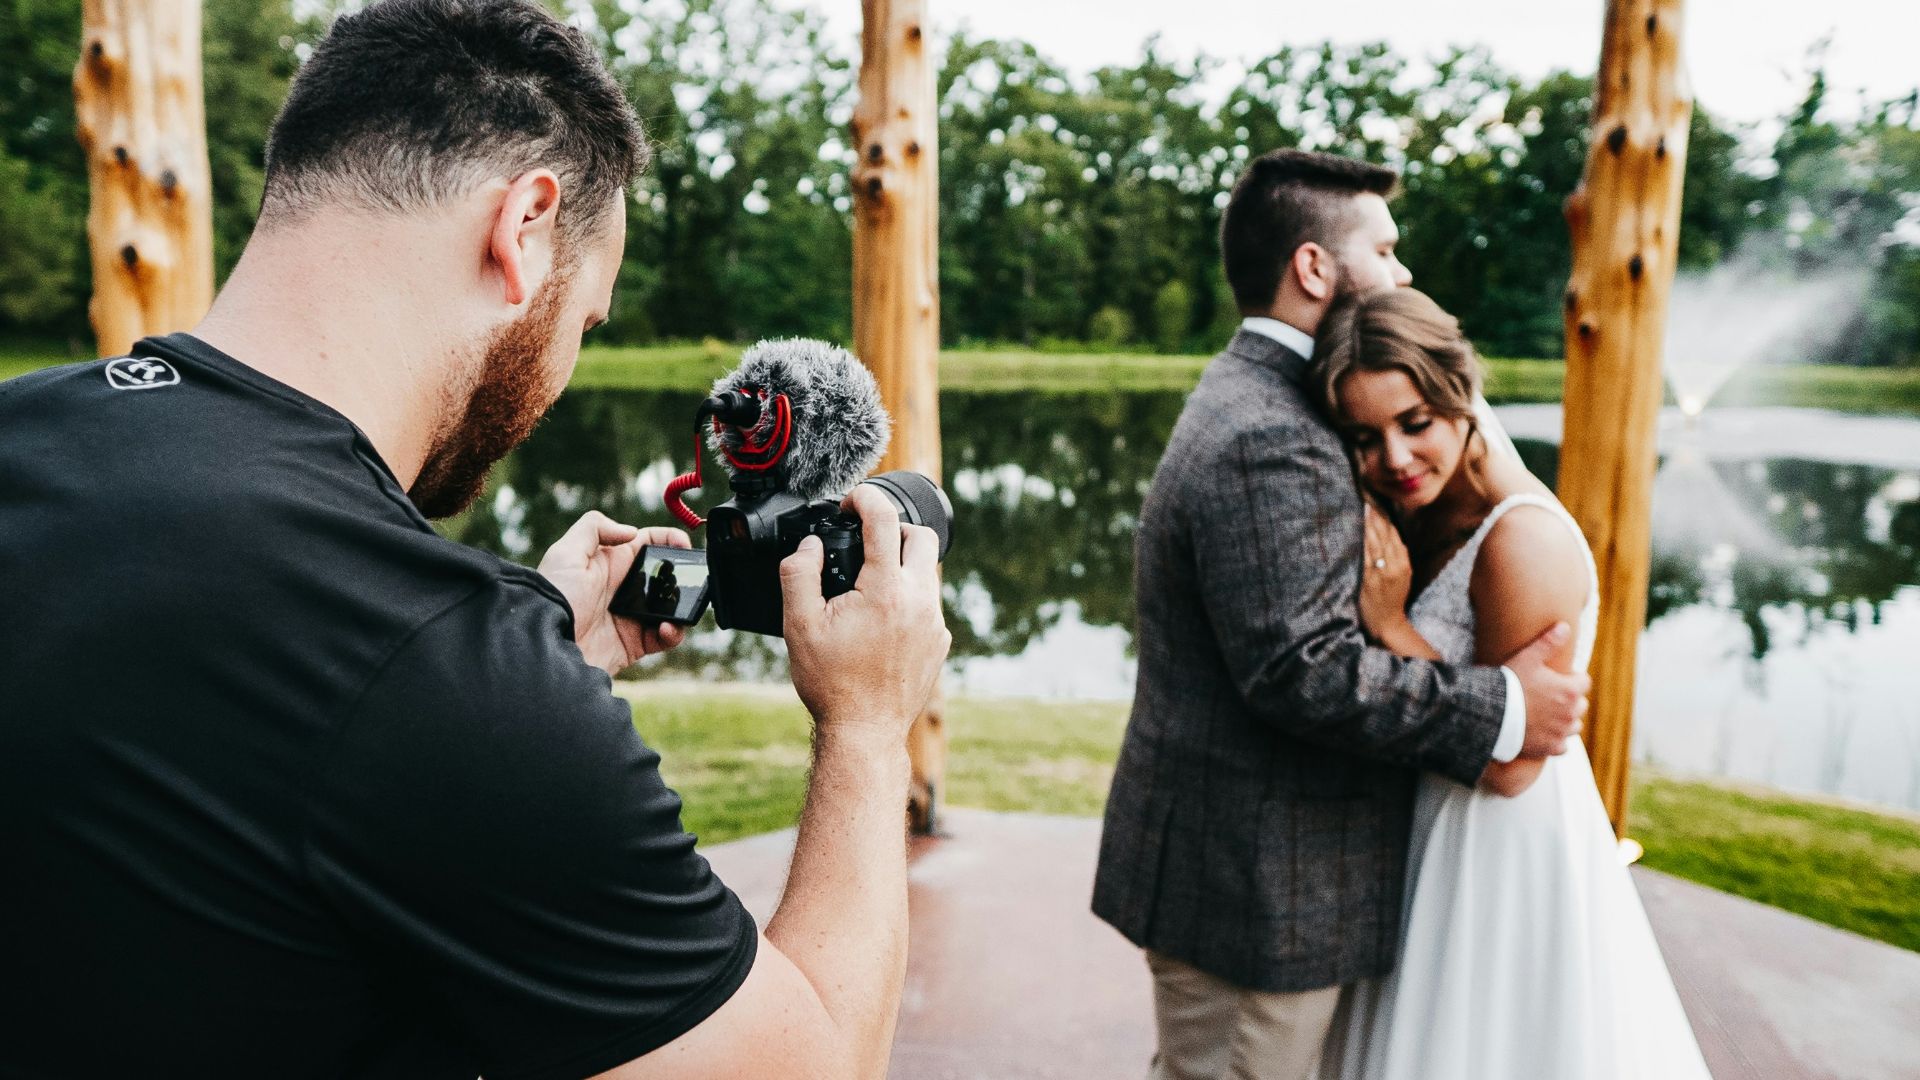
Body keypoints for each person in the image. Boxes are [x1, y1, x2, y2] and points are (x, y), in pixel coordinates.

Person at [0, 2, 949, 1077]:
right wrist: (869, 723)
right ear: (524, 228)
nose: (565, 371)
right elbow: (817, 1064)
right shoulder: (430, 669)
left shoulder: (26, 432)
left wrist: (515, 655)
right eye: (584, 322)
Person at [1090, 148, 1592, 1080]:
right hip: (1256, 889)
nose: (1403, 272)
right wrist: (1506, 709)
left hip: (1253, 872)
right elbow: (1302, 670)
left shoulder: (1263, 395)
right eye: (1386, 250)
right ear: (1315, 267)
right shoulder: (1274, 432)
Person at [1311, 289, 1711, 1080]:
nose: (1394, 457)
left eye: (1416, 423)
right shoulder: (1418, 510)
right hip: (1428, 826)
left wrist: (1389, 624)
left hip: (1492, 847)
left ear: (1461, 398)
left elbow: (1512, 764)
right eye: (1364, 438)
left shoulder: (1520, 541)